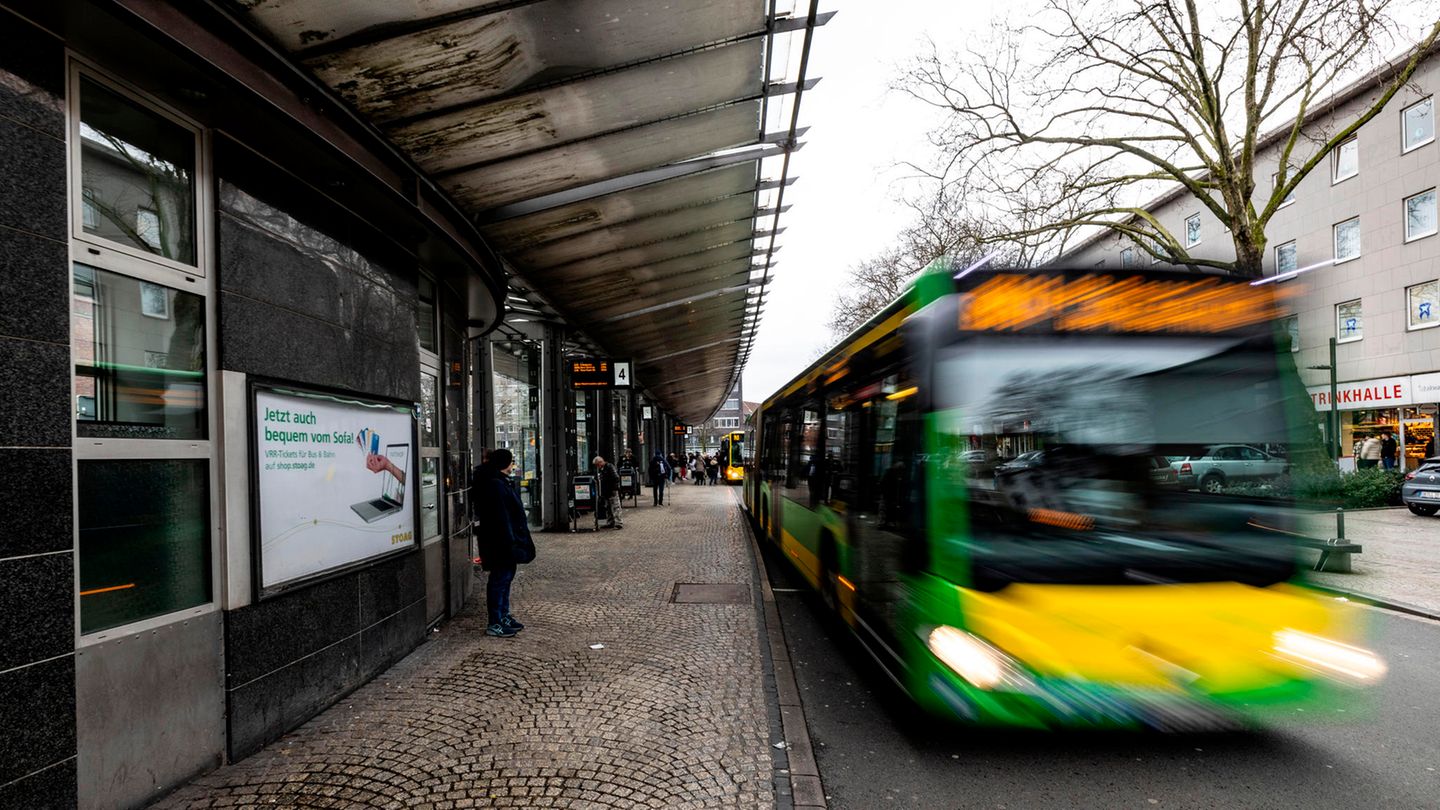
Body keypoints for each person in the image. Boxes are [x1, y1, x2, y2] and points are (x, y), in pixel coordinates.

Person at [473, 448, 535, 638]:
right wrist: (511, 542)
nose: (512, 465)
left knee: (505, 578)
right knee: (500, 580)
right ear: (504, 464)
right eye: (511, 461)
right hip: (501, 542)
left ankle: (503, 616)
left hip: (503, 541)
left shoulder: (498, 481)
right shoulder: (495, 484)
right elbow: (501, 518)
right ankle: (496, 621)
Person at [595, 455, 623, 528]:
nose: (598, 467)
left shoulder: (609, 467)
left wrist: (613, 487)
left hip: (612, 490)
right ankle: (610, 522)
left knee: (615, 506)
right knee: (608, 507)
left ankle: (618, 522)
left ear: (600, 462)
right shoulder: (603, 469)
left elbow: (616, 478)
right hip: (606, 491)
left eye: (597, 465)